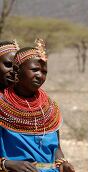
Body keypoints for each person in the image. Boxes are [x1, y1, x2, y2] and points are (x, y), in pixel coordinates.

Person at [0, 39, 75, 172]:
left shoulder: (50, 107)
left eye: (44, 72)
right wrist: (8, 164)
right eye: (34, 70)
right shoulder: (2, 105)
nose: (40, 76)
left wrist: (62, 162)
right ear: (17, 71)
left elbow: (56, 147)